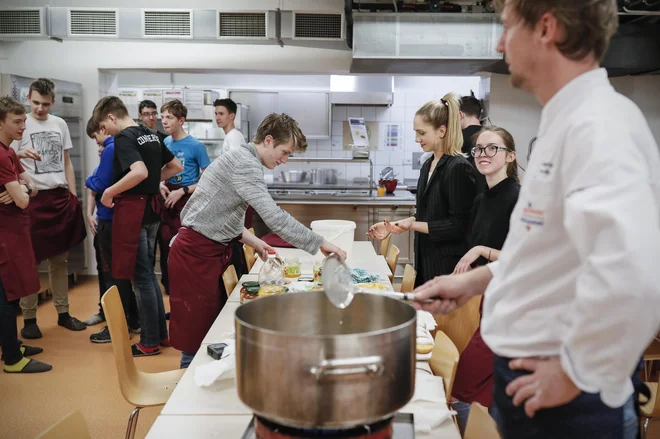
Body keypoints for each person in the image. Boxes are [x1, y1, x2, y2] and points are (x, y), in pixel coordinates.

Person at [413, 1, 660, 438]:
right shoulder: (562, 123)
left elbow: (638, 277)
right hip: (533, 380)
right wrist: (471, 282)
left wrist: (570, 373)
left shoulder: (599, 126)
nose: (500, 42)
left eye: (508, 26)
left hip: (568, 398)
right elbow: (549, 257)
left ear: (546, 28)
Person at [168, 113, 347, 369]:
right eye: (284, 152)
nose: (284, 160)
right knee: (197, 338)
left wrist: (255, 241)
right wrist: (320, 243)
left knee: (211, 332)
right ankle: (186, 395)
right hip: (194, 255)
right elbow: (274, 217)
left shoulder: (243, 158)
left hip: (205, 250)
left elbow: (219, 213)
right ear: (268, 140)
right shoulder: (246, 163)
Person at [93, 96, 183, 357]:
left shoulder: (124, 138)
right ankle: (162, 335)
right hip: (153, 210)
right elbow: (175, 166)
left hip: (134, 212)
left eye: (102, 126)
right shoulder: (151, 134)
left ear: (111, 117)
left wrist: (109, 192)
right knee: (148, 278)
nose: (104, 132)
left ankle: (149, 342)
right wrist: (153, 180)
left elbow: (140, 172)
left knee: (140, 279)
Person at [448, 126, 520, 435]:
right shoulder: (482, 198)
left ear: (510, 156)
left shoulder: (518, 198)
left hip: (511, 308)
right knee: (490, 391)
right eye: (478, 149)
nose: (483, 154)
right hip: (486, 302)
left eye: (493, 148)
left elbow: (524, 259)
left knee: (462, 385)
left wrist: (482, 250)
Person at [368, 93, 477, 285]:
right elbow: (427, 215)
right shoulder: (428, 165)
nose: (417, 139)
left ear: (441, 131)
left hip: (446, 266)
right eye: (416, 132)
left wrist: (412, 225)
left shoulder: (458, 167)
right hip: (425, 260)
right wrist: (394, 226)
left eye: (422, 133)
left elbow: (458, 226)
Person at [11, 78, 87, 339]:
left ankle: (63, 313)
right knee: (29, 261)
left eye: (45, 104)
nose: (40, 108)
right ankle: (29, 318)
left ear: (53, 102)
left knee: (60, 261)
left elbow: (66, 162)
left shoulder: (60, 124)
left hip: (58, 196)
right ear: (28, 100)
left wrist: (73, 195)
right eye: (35, 103)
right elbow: (11, 164)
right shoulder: (21, 125)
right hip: (32, 199)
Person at [0, 96, 52, 373]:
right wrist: (23, 192)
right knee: (7, 295)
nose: (23, 126)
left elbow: (30, 187)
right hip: (5, 236)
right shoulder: (1, 154)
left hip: (14, 232)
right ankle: (12, 359)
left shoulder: (9, 151)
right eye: (17, 122)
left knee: (13, 292)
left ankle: (12, 344)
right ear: (1, 123)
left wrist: (24, 189)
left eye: (23, 121)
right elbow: (21, 201)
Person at [83, 118, 140, 343]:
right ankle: (133, 319)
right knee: (122, 274)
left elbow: (99, 183)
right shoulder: (126, 146)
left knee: (112, 276)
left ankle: (117, 325)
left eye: (96, 138)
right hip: (120, 220)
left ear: (102, 129)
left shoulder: (111, 147)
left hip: (110, 221)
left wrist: (90, 180)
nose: (98, 144)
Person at [157, 99, 211, 296]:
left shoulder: (195, 145)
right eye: (162, 117)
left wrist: (183, 191)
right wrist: (161, 184)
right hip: (167, 199)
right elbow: (160, 172)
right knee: (165, 245)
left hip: (186, 200)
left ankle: (185, 287)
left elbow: (209, 179)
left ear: (181, 120)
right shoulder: (164, 142)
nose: (164, 121)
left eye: (169, 117)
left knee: (183, 246)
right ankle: (170, 288)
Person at [215, 97, 253, 274]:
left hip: (235, 199)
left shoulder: (234, 136)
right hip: (231, 198)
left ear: (232, 116)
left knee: (236, 243)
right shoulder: (230, 136)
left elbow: (237, 168)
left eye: (221, 113)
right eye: (216, 113)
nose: (217, 117)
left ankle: (239, 279)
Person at [459, 92, 487, 194]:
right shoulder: (493, 136)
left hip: (466, 195)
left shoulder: (458, 138)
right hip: (489, 194)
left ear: (460, 114)